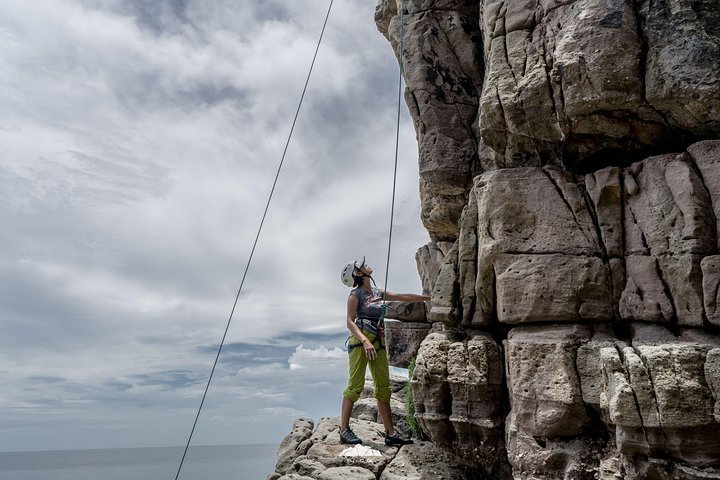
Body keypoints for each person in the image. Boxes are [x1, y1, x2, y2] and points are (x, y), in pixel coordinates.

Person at [338, 256, 431, 446]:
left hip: (378, 342)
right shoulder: (355, 295)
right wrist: (364, 341)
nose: (366, 264)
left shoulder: (377, 292)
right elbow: (349, 321)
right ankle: (344, 429)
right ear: (358, 274)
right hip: (360, 342)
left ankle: (390, 433)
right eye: (362, 265)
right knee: (355, 385)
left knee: (383, 387)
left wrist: (429, 298)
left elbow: (402, 297)